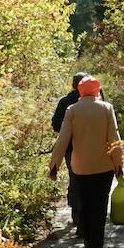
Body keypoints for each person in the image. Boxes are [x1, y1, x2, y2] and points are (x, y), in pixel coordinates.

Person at [48, 76, 123, 248]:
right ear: (98, 90)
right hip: (104, 168)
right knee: (99, 208)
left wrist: (54, 166)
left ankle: (88, 241)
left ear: (80, 90)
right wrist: (118, 165)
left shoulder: (72, 110)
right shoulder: (106, 108)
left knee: (84, 205)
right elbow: (114, 138)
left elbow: (63, 139)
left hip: (79, 168)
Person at [51, 72, 87, 232]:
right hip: (91, 148)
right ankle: (85, 217)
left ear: (73, 84)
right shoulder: (97, 102)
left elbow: (55, 124)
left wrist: (67, 132)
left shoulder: (65, 102)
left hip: (70, 148)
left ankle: (76, 214)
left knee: (75, 179)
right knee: (89, 181)